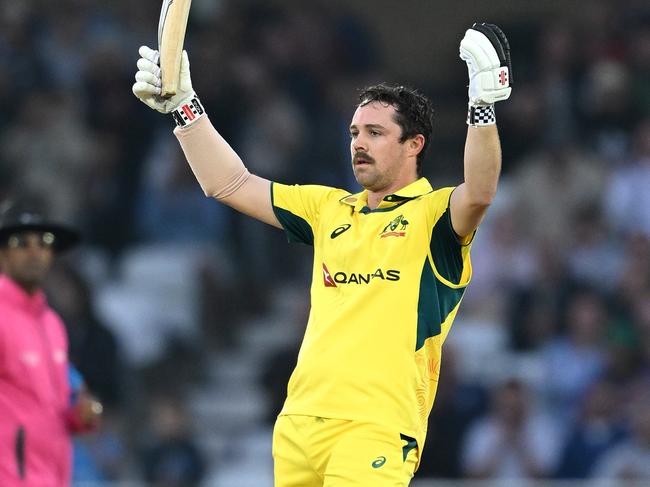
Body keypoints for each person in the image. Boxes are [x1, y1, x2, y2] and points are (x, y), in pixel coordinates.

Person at [133, 22, 512, 486]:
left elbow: (480, 192)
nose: (358, 142)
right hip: (299, 425)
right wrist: (184, 111)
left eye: (375, 132)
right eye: (354, 131)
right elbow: (228, 184)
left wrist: (482, 108)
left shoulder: (435, 216)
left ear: (414, 145)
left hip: (375, 428)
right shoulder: (328, 208)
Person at [0, 202, 103, 486]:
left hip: (53, 476)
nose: (35, 252)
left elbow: (56, 407)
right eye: (21, 242)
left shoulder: (52, 323)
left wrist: (81, 415)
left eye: (44, 242)